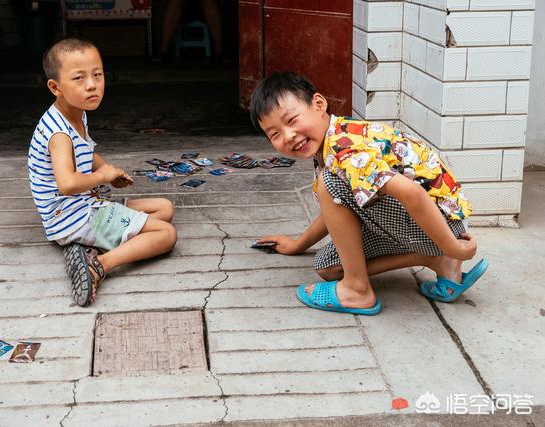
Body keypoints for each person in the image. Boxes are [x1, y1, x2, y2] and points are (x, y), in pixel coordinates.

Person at [250, 72, 488, 315]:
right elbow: (335, 206)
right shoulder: (330, 145)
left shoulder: (346, 148)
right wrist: (297, 244)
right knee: (328, 268)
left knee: (328, 182)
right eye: (275, 134)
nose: (288, 136)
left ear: (319, 104)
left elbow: (413, 193)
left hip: (440, 225)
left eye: (291, 120)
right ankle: (435, 260)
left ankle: (356, 289)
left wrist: (453, 247)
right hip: (422, 226)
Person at [28, 38, 177, 307]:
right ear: (55, 87)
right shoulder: (59, 133)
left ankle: (86, 246)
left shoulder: (76, 112)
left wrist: (109, 169)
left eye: (97, 75)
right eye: (79, 78)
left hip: (84, 204)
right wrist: (103, 176)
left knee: (164, 207)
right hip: (74, 216)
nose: (91, 84)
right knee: (165, 235)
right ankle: (99, 264)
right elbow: (67, 184)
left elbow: (85, 151)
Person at [151, 0, 228, 64]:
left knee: (209, 1)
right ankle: (163, 50)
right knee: (175, 1)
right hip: (183, 8)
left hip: (202, 7)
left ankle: (220, 50)